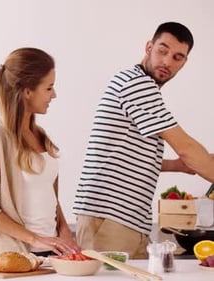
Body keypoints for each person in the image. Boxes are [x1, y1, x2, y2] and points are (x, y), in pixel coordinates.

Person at [73, 22, 214, 259]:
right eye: (162, 50)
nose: (168, 61)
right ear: (149, 47)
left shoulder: (141, 87)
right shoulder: (137, 84)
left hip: (128, 220)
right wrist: (191, 159)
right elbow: (186, 147)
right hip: (110, 218)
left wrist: (175, 165)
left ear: (184, 63)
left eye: (177, 57)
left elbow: (125, 154)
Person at [0, 47, 80, 258]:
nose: (54, 95)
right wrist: (34, 238)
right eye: (49, 88)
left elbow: (48, 194)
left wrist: (65, 230)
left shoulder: (40, 135)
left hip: (53, 254)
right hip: (19, 257)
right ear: (28, 91)